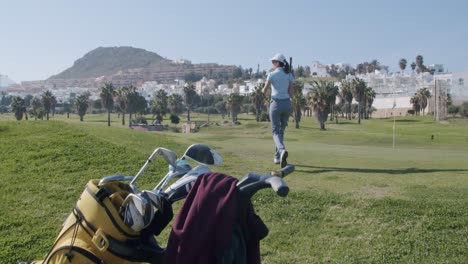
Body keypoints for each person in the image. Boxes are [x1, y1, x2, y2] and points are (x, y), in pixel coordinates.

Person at [262, 53, 294, 168]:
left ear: (277, 63)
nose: (272, 64)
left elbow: (264, 91)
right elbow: (291, 93)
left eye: (273, 62)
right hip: (287, 104)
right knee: (281, 132)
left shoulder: (271, 74)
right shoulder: (289, 74)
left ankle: (281, 150)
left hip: (275, 104)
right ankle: (277, 157)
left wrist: (265, 95)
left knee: (275, 131)